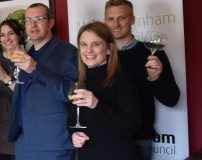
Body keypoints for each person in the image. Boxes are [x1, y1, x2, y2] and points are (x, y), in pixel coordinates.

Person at [104, 1, 180, 159]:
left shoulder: (152, 53)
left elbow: (172, 99)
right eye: (110, 19)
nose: (116, 24)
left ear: (132, 19)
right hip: (104, 139)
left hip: (138, 140)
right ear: (105, 21)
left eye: (122, 18)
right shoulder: (97, 54)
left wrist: (155, 78)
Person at [6, 3, 78, 159]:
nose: (32, 25)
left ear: (51, 22)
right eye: (28, 20)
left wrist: (35, 69)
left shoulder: (68, 52)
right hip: (24, 142)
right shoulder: (27, 54)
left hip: (54, 142)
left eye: (39, 19)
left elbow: (71, 93)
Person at [70, 21, 142, 160]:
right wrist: (73, 135)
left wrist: (97, 104)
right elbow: (73, 121)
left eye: (96, 44)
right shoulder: (78, 82)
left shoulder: (122, 80)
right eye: (84, 44)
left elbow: (131, 127)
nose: (88, 50)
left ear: (109, 48)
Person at [0, 19, 26, 160]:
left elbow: (25, 93)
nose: (6, 38)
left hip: (19, 115)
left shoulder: (27, 59)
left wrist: (4, 77)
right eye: (2, 35)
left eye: (11, 33)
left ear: (19, 35)